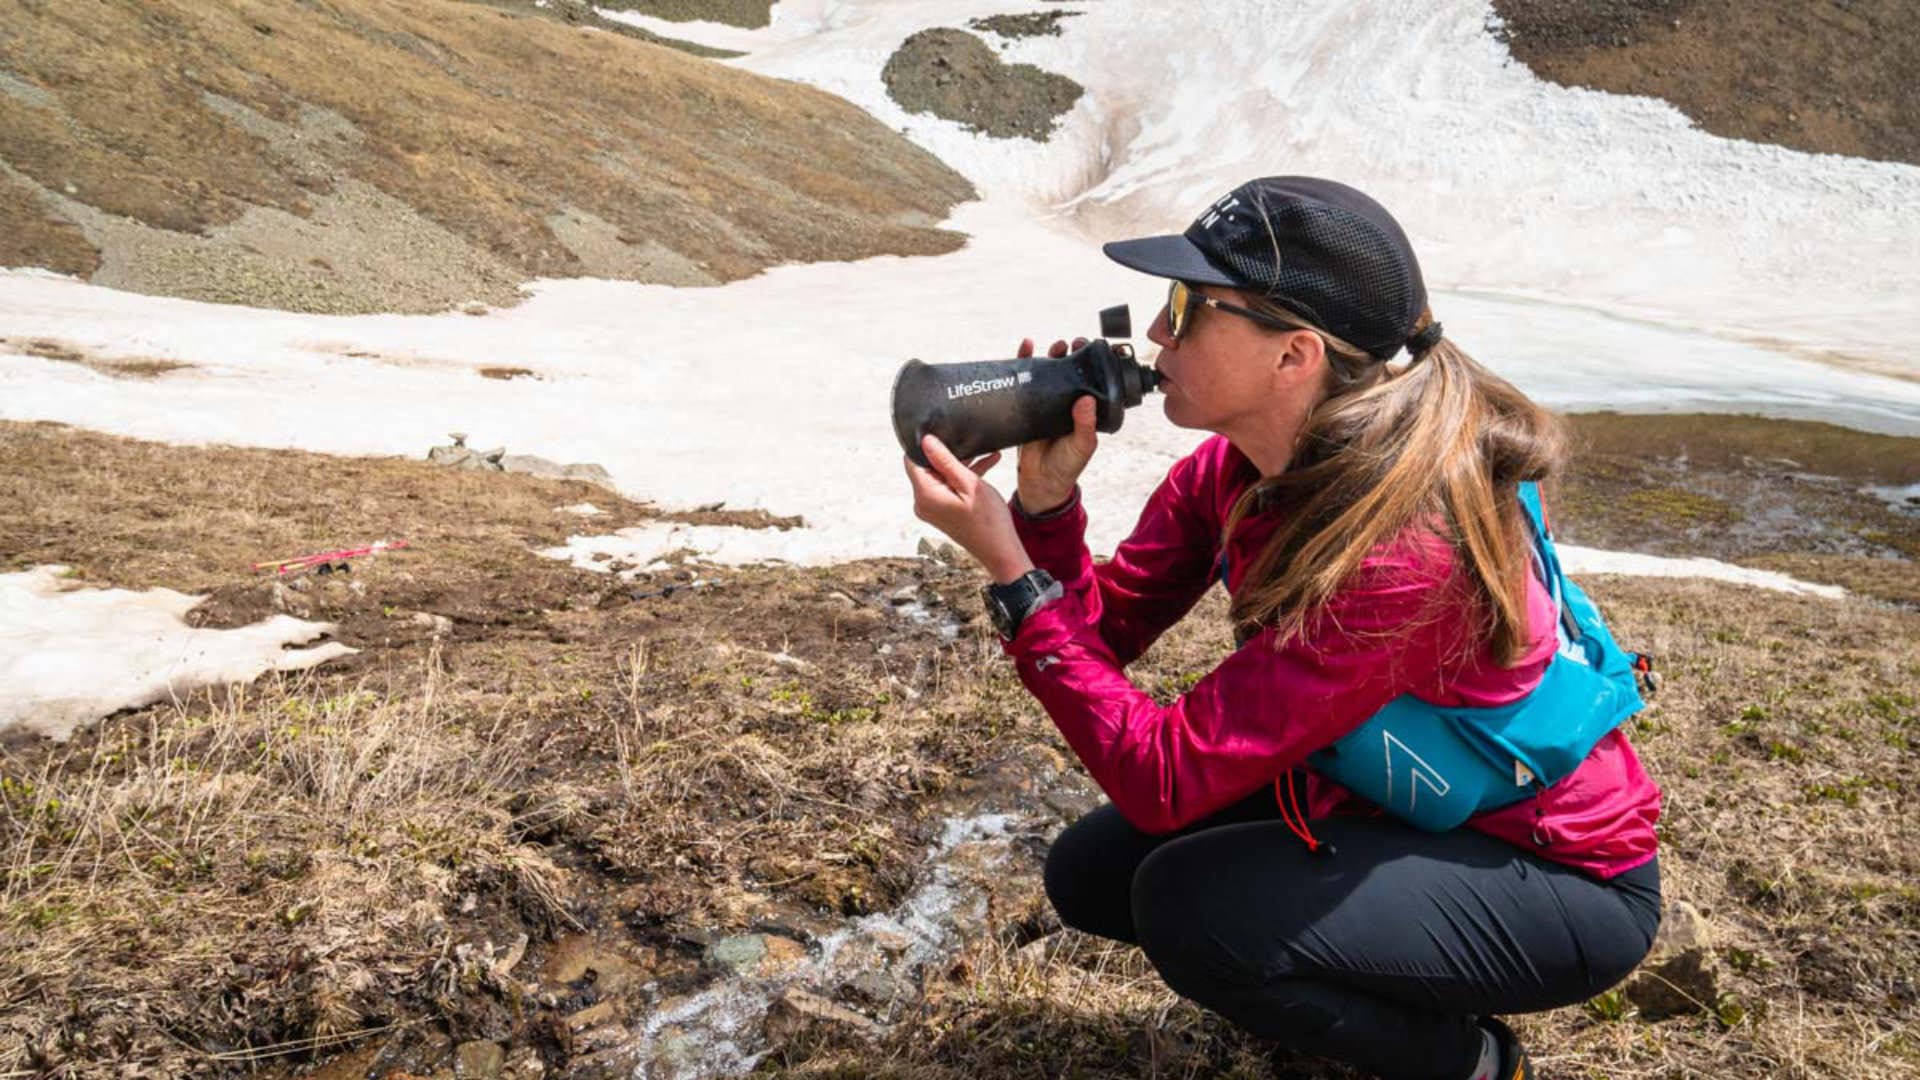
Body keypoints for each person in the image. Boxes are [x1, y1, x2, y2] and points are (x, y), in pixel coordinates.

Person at [902, 177, 1662, 1080]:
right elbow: (1108, 637)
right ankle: (1368, 961)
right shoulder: (1234, 470)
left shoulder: (1400, 554)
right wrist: (1045, 502)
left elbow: (1163, 778)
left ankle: (1468, 1059)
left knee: (1194, 910)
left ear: (1293, 355)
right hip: (1394, 797)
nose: (1155, 335)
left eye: (1188, 308)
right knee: (1094, 877)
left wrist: (1017, 583)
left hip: (1553, 874)